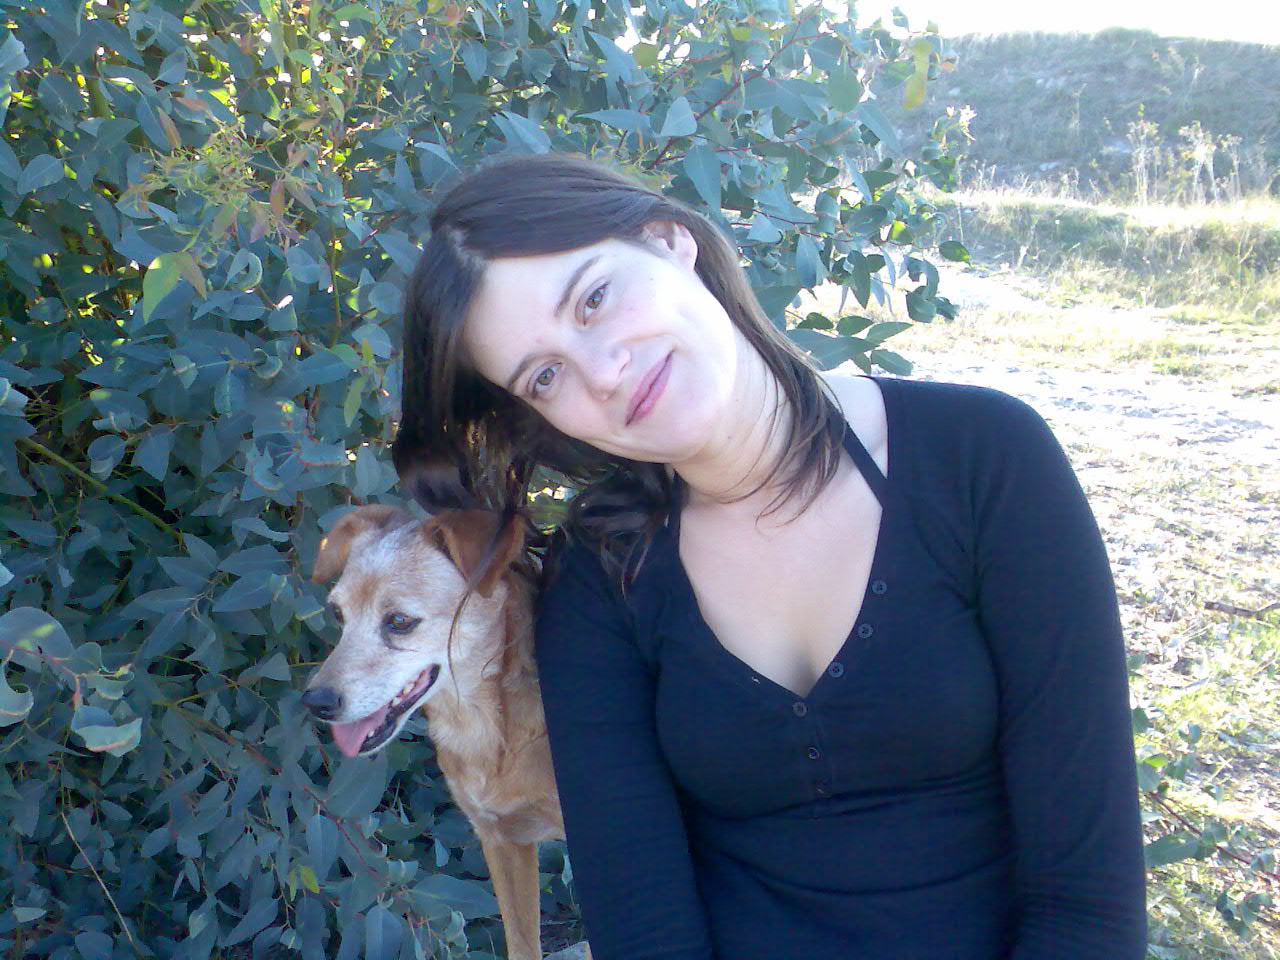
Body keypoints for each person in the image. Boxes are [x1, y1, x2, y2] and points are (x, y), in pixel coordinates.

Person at [393, 152, 1148, 959]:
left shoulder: (983, 459)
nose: (604, 373)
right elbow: (646, 934)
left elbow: (1088, 904)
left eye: (595, 298)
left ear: (669, 241)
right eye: (545, 376)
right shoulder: (600, 576)